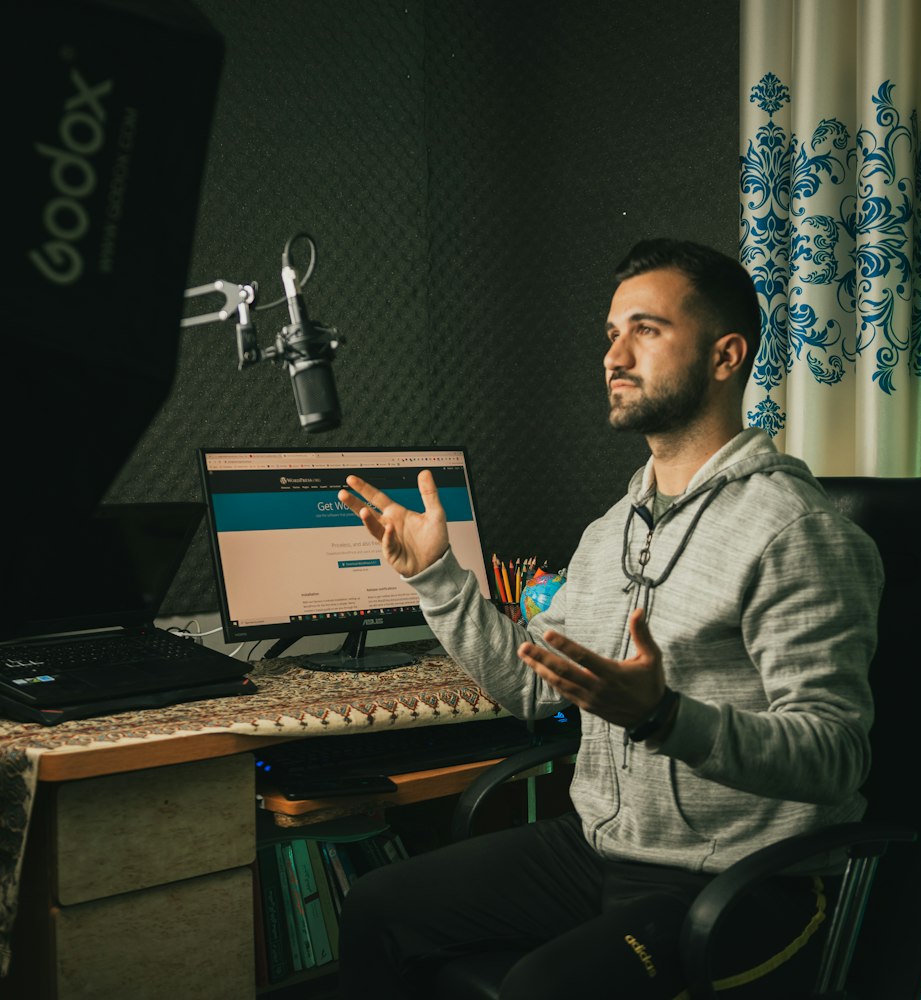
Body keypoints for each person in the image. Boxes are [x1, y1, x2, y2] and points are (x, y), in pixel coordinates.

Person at [335, 238, 884, 999]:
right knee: (375, 907)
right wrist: (437, 578)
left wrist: (663, 717)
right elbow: (530, 686)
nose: (614, 356)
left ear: (726, 356)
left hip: (748, 881)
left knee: (543, 988)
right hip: (600, 850)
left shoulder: (795, 531)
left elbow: (835, 755)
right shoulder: (612, 530)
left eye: (646, 330)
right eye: (611, 333)